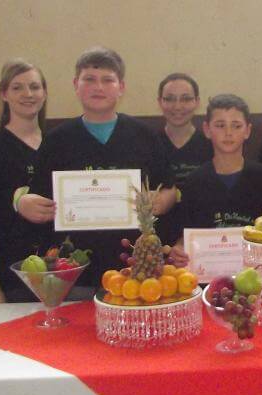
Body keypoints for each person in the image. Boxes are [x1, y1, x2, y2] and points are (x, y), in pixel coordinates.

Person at [23, 46, 174, 288]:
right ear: (76, 84)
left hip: (136, 268)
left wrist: (161, 201)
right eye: (89, 79)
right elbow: (39, 196)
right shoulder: (56, 140)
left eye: (108, 80)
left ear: (121, 87)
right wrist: (25, 203)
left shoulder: (145, 136)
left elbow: (169, 189)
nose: (98, 87)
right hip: (73, 271)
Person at [0, 59, 48, 303]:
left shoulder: (59, 145)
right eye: (17, 87)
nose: (28, 94)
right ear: (4, 94)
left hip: (60, 274)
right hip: (13, 279)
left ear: (44, 93)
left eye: (34, 87)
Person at [172, 94, 262, 266]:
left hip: (257, 277)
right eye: (220, 125)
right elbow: (185, 235)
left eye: (236, 126)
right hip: (208, 281)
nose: (228, 133)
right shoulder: (194, 182)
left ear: (247, 130)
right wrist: (179, 249)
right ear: (207, 129)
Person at [155, 72, 213, 244]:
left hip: (203, 238)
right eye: (170, 99)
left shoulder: (212, 146)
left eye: (186, 99)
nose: (177, 106)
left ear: (197, 102)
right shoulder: (148, 145)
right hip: (156, 242)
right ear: (160, 102)